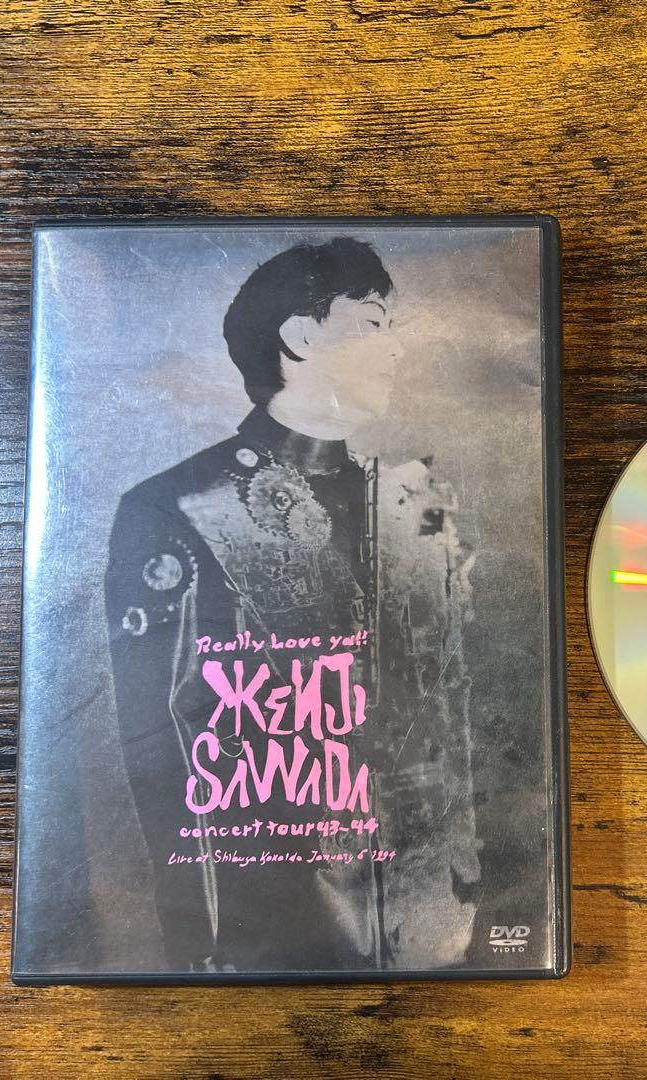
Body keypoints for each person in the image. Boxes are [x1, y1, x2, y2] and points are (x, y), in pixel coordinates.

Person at [105, 237, 480, 973]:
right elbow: (170, 755)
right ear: (302, 336)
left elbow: (455, 713)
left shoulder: (415, 502)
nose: (396, 350)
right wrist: (207, 951)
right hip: (275, 932)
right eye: (372, 325)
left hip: (435, 925)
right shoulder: (182, 507)